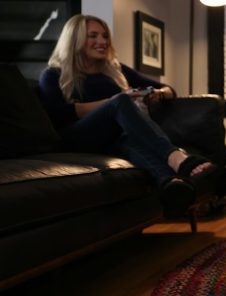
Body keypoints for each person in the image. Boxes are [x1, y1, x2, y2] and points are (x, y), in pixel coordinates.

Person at [37, 14, 216, 215]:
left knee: (128, 139)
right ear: (74, 39)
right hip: (76, 138)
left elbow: (169, 89)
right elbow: (56, 113)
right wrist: (112, 102)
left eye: (105, 36)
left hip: (112, 138)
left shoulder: (115, 69)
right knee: (122, 102)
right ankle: (176, 157)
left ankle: (170, 183)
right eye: (93, 36)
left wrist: (158, 94)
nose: (102, 41)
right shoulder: (53, 74)